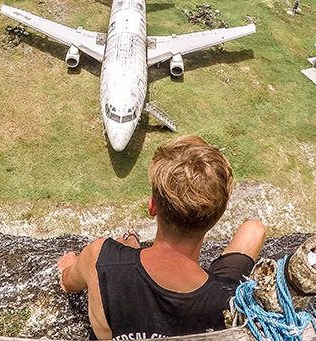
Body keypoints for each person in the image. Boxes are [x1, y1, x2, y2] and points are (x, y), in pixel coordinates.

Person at [57, 135, 266, 340]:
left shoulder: (99, 258)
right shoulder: (229, 298)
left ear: (152, 207)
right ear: (216, 218)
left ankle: (132, 243)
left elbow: (67, 283)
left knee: (122, 245)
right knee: (254, 229)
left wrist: (71, 265)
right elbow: (253, 231)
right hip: (208, 293)